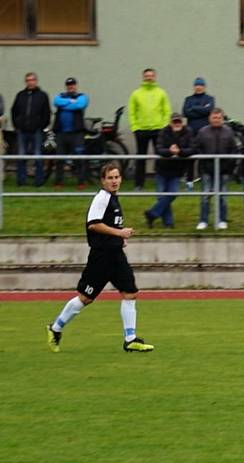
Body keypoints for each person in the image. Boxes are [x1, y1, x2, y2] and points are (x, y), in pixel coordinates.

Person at [46, 162, 154, 354]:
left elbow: (106, 227)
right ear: (103, 180)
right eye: (110, 178)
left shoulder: (113, 198)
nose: (114, 181)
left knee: (130, 292)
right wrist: (119, 233)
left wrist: (118, 240)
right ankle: (55, 328)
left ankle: (130, 339)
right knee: (85, 298)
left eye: (117, 177)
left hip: (116, 256)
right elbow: (93, 224)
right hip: (101, 258)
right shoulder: (102, 198)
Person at [144, 113, 194, 228]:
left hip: (177, 171)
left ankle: (152, 214)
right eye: (174, 122)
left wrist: (179, 151)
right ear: (170, 123)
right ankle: (168, 223)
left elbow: (192, 149)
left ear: (182, 122)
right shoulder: (163, 132)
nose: (177, 124)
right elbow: (158, 149)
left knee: (172, 193)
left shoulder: (189, 132)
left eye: (179, 121)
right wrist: (170, 151)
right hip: (162, 169)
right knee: (162, 197)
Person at [194, 107, 238, 230]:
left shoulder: (229, 132)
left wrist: (228, 165)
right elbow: (196, 147)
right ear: (210, 118)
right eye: (214, 117)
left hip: (223, 170)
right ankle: (203, 221)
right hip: (207, 170)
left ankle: (222, 220)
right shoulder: (202, 132)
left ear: (222, 119)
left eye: (219, 117)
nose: (216, 120)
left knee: (222, 197)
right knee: (205, 196)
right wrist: (204, 160)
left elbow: (233, 150)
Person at [128, 68, 171, 191]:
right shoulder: (136, 94)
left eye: (151, 75)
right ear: (143, 77)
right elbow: (132, 112)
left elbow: (166, 111)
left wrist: (164, 127)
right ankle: (138, 184)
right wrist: (135, 127)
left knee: (160, 158)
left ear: (155, 77)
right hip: (141, 130)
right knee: (141, 158)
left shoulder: (161, 93)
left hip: (158, 129)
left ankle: (161, 183)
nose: (149, 78)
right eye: (147, 76)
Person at [11, 72, 50, 187]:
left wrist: (41, 126)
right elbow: (14, 111)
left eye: (32, 80)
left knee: (38, 156)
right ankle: (21, 181)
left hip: (37, 131)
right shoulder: (20, 95)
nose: (30, 82)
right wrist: (17, 125)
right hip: (22, 131)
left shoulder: (42, 95)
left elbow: (47, 113)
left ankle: (38, 181)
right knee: (21, 156)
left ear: (36, 81)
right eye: (28, 80)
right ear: (25, 82)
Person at [53, 77, 88, 189]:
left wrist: (65, 105)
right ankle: (59, 182)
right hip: (61, 133)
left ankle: (81, 182)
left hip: (76, 134)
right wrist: (70, 102)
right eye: (69, 85)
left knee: (79, 159)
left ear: (76, 86)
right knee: (59, 159)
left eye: (72, 85)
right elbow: (56, 101)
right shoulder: (60, 96)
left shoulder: (82, 97)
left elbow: (79, 105)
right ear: (66, 86)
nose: (71, 86)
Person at [182, 77, 214, 190]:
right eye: (197, 85)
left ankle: (204, 181)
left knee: (204, 157)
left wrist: (194, 109)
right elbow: (185, 112)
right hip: (191, 133)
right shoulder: (188, 99)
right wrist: (201, 109)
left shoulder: (210, 99)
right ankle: (189, 182)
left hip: (206, 133)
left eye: (200, 85)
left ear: (204, 87)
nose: (198, 87)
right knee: (191, 157)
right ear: (194, 87)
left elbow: (209, 111)